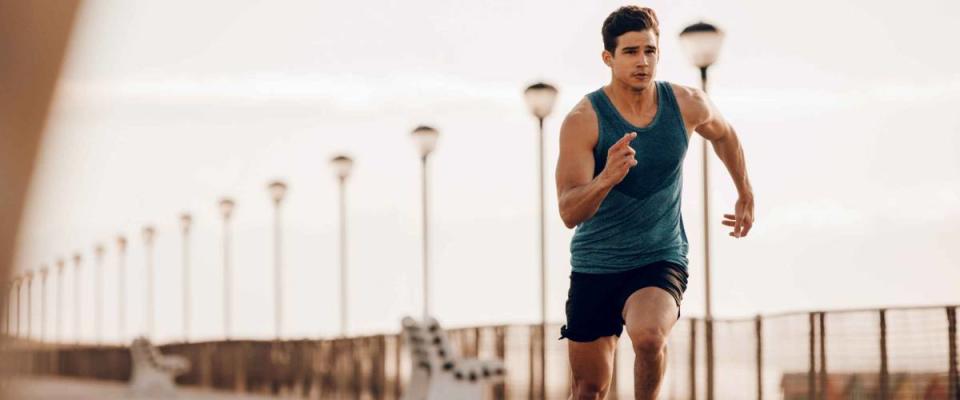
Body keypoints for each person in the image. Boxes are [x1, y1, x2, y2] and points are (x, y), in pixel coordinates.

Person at [554, 5, 754, 399]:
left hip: (659, 256)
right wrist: (607, 178)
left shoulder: (686, 103)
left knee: (648, 337)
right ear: (608, 58)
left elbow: (725, 134)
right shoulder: (584, 119)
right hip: (596, 263)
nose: (642, 61)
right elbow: (569, 211)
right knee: (589, 388)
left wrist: (744, 192)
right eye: (630, 52)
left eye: (649, 50)